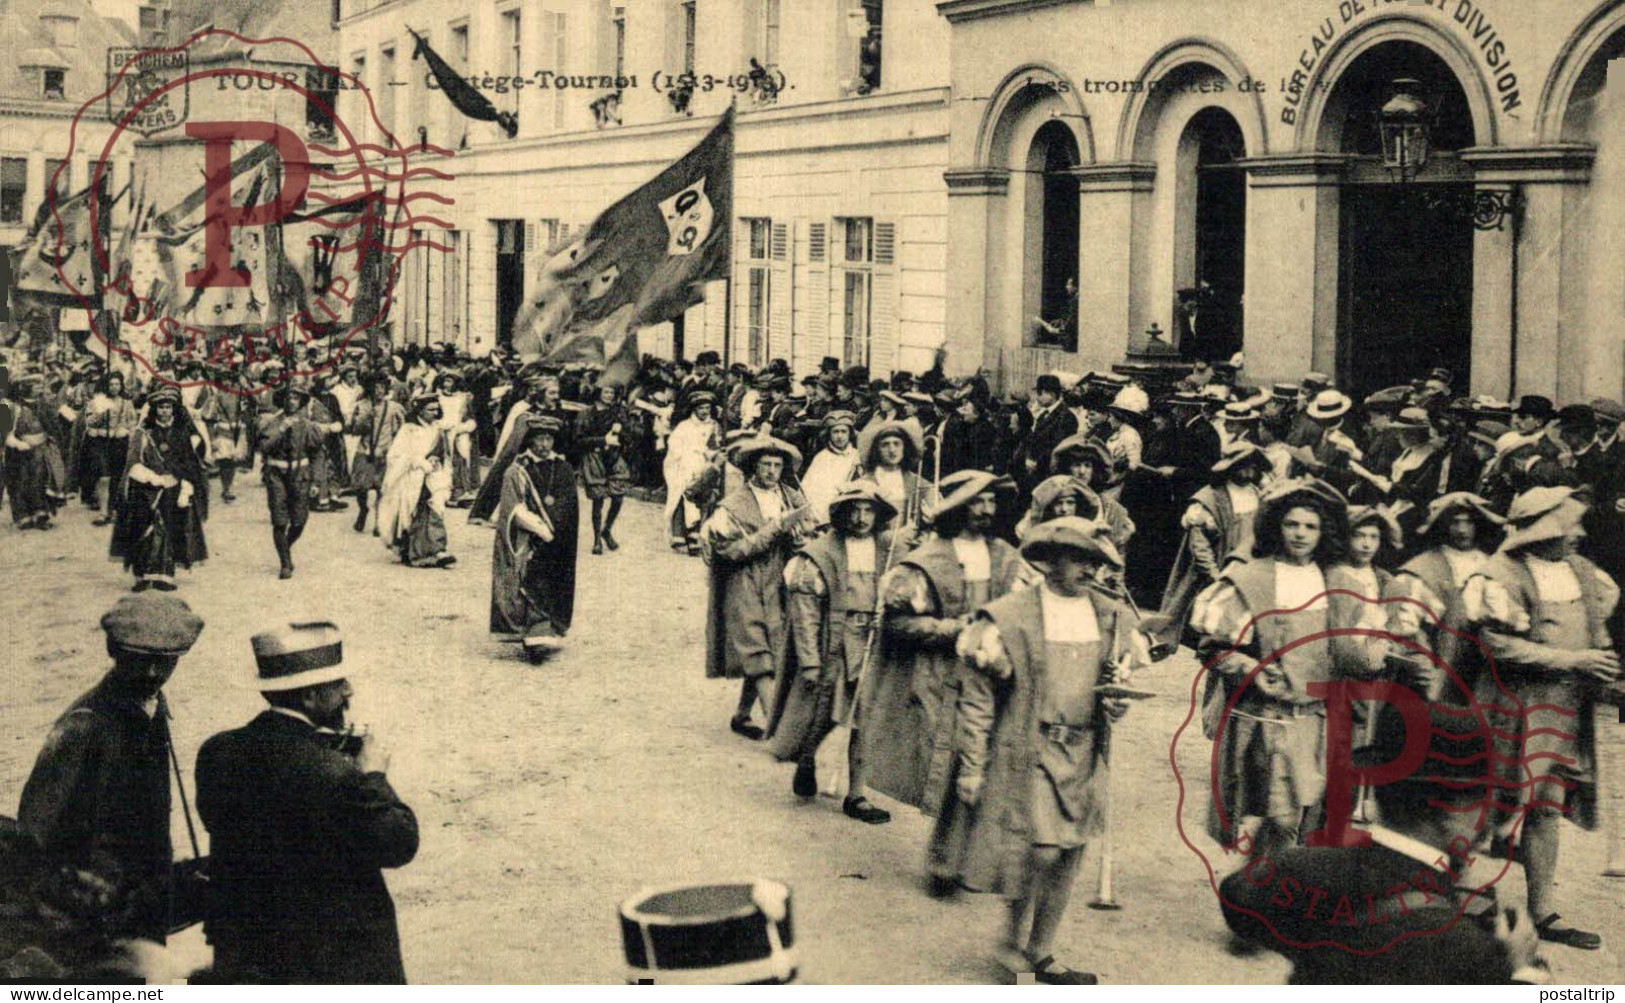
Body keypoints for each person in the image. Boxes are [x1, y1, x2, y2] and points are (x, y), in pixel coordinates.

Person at [1220, 701, 1549, 983]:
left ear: (1376, 793)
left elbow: (1237, 894)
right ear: (1457, 813)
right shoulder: (1470, 950)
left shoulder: (1294, 871)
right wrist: (1518, 970)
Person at [950, 517, 1145, 983]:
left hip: (1082, 750)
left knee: (1070, 851)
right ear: (1051, 560)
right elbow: (977, 696)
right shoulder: (1011, 615)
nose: (1089, 570)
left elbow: (1114, 684)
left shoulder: (1109, 615)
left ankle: (1042, 952)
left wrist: (1115, 705)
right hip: (1028, 745)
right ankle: (1010, 941)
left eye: (1096, 561)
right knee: (1040, 848)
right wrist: (972, 765)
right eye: (1079, 559)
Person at [196, 620, 419, 984]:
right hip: (332, 961)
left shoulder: (217, 750)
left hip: (247, 951)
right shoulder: (335, 774)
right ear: (308, 697)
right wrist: (373, 776)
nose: (349, 691)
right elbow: (398, 844)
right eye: (337, 684)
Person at [1461, 486, 1619, 951]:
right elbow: (1499, 645)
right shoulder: (1498, 575)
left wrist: (1603, 669)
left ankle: (1543, 909)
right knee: (1488, 803)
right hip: (1509, 705)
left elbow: (1597, 636)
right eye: (1570, 525)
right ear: (1543, 530)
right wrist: (1575, 661)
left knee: (1546, 807)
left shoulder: (1585, 574)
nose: (1580, 534)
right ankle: (1455, 895)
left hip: (1564, 710)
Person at [17, 595, 205, 944]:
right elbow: (33, 832)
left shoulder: (151, 708)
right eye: (139, 661)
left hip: (141, 905)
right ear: (114, 652)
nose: (152, 673)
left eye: (164, 662)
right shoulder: (83, 726)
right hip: (91, 917)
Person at [1190, 477, 1350, 860]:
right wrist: (1251, 668)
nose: (1300, 534)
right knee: (1274, 817)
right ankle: (1264, 900)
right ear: (1277, 525)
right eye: (1292, 524)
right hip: (1268, 720)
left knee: (1301, 821)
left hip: (1316, 718)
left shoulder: (1333, 580)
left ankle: (1261, 893)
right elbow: (1213, 649)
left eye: (1310, 526)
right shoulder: (1254, 578)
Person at [865, 471, 1027, 843]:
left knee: (988, 756)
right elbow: (898, 623)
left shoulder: (1004, 556)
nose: (986, 510)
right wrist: (953, 628)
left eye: (991, 502)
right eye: (977, 501)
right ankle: (945, 853)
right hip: (941, 674)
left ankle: (955, 852)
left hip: (991, 668)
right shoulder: (929, 559)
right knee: (952, 759)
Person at [770, 481, 899, 824]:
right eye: (853, 510)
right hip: (836, 644)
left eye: (868, 510)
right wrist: (810, 660)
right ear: (842, 513)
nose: (860, 517)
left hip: (873, 643)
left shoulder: (889, 553)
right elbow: (806, 613)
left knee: (865, 719)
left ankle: (856, 794)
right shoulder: (821, 553)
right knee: (826, 713)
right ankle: (807, 758)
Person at [702, 436, 813, 740]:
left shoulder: (790, 498)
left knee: (773, 647)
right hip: (744, 580)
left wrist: (801, 540)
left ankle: (742, 715)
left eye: (777, 465)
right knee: (756, 649)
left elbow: (810, 534)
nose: (771, 471)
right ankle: (778, 730)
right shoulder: (733, 506)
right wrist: (773, 530)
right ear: (753, 467)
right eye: (765, 464)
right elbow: (728, 551)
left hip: (778, 580)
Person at [1160, 441, 1270, 648]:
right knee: (1214, 634)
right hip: (1220, 569)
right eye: (1244, 465)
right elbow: (1199, 545)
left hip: (1249, 570)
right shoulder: (1209, 498)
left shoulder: (1258, 495)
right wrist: (1214, 574)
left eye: (1253, 466)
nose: (1249, 471)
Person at [490, 414, 580, 663]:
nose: (544, 444)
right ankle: (533, 634)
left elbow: (567, 503)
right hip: (527, 539)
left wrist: (556, 528)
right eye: (539, 439)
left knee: (552, 582)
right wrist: (537, 527)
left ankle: (549, 629)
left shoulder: (562, 469)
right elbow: (513, 507)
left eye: (548, 438)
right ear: (530, 441)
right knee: (529, 582)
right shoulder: (517, 471)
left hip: (557, 539)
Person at [109, 386, 209, 592]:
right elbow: (134, 461)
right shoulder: (143, 432)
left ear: (174, 409)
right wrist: (152, 478)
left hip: (173, 487)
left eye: (168, 407)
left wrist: (185, 486)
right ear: (154, 410)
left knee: (169, 530)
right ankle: (142, 576)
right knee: (142, 530)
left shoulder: (182, 433)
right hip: (145, 489)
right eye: (160, 407)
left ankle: (165, 575)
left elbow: (191, 464)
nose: (164, 411)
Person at [258, 381, 326, 579]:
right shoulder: (271, 423)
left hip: (300, 476)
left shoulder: (308, 426)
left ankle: (285, 547)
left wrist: (316, 482)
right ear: (282, 401)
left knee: (299, 521)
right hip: (277, 476)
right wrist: (281, 430)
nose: (291, 402)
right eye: (288, 398)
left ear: (301, 402)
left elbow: (318, 455)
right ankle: (285, 563)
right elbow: (263, 448)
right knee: (279, 521)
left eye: (296, 398)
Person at [379, 394, 456, 569]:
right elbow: (396, 455)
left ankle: (436, 549)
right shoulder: (408, 429)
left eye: (437, 409)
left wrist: (437, 460)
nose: (435, 412)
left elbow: (445, 454)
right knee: (413, 513)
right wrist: (419, 462)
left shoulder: (438, 429)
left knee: (435, 510)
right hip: (412, 478)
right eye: (431, 409)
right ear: (420, 410)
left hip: (433, 477)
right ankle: (417, 552)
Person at [575, 383, 632, 555]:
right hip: (594, 456)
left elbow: (629, 438)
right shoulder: (586, 414)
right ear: (599, 392)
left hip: (613, 457)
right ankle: (597, 538)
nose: (609, 395)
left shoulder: (619, 413)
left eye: (612, 392)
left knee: (618, 496)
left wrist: (621, 431)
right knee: (598, 499)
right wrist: (602, 440)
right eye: (606, 391)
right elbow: (578, 440)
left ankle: (607, 529)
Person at [348, 373, 407, 535]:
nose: (379, 391)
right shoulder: (361, 406)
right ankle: (363, 510)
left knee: (383, 489)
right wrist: (366, 417)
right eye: (375, 388)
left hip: (385, 452)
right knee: (360, 488)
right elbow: (353, 430)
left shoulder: (394, 407)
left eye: (382, 387)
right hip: (365, 452)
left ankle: (378, 522)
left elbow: (403, 429)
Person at [663, 391, 721, 553]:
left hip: (705, 466)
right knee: (682, 494)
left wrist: (708, 454)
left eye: (707, 408)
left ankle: (696, 536)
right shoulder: (684, 426)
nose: (705, 411)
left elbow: (716, 446)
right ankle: (679, 535)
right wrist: (685, 457)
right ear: (694, 409)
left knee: (703, 498)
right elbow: (674, 445)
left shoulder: (714, 426)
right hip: (685, 466)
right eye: (701, 408)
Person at [855, 416, 933, 534]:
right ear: (876, 450)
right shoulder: (862, 484)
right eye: (885, 445)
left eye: (897, 444)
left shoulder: (920, 484)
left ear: (904, 448)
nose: (892, 450)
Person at [77, 372, 138, 521]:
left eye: (117, 384)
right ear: (106, 385)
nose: (114, 387)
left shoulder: (126, 403)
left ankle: (113, 509)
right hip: (100, 442)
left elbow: (132, 423)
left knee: (117, 477)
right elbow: (89, 422)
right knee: (104, 477)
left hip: (119, 443)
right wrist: (100, 412)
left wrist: (128, 434)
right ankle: (103, 512)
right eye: (111, 384)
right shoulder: (97, 402)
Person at [5, 375, 59, 530]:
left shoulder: (43, 406)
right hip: (18, 451)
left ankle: (41, 514)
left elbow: (52, 426)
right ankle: (22, 516)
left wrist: (49, 439)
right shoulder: (11, 407)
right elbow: (6, 432)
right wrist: (18, 444)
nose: (39, 390)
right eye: (36, 386)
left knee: (40, 480)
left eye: (41, 387)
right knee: (20, 482)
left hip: (40, 450)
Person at [798, 410, 861, 525]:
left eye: (843, 432)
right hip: (824, 514)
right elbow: (807, 489)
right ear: (829, 434)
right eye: (835, 432)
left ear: (850, 434)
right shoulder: (822, 457)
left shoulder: (857, 456)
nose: (839, 436)